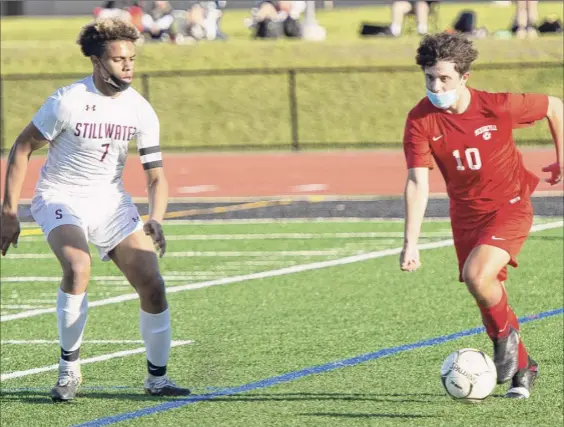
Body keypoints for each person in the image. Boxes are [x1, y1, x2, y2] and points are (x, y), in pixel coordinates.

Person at [0, 18, 191, 402]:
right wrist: (8, 213)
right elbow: (21, 148)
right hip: (60, 196)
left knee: (153, 286)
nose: (127, 66)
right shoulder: (67, 101)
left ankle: (157, 380)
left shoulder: (140, 109)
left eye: (132, 59)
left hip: (110, 201)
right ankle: (69, 371)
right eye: (118, 59)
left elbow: (156, 176)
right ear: (96, 61)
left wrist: (155, 218)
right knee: (78, 266)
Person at [400, 32, 563, 399]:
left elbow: (555, 105)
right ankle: (523, 366)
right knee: (486, 291)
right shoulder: (420, 120)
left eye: (444, 78)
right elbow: (416, 182)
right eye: (430, 78)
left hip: (510, 206)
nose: (436, 85)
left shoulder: (497, 106)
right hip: (466, 215)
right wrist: (411, 243)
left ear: (464, 78)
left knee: (477, 275)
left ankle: (504, 342)